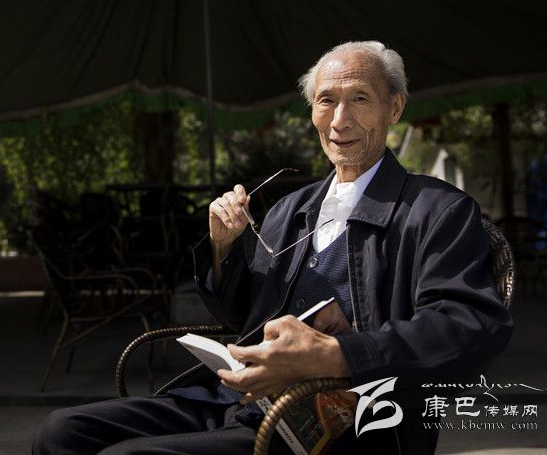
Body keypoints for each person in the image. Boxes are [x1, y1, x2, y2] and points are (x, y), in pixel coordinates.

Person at [33, 41, 513, 454]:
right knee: (61, 433)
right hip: (238, 398)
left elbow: (470, 327)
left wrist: (337, 355)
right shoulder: (291, 209)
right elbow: (242, 315)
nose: (340, 119)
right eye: (326, 101)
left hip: (336, 424)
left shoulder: (437, 211)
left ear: (395, 108)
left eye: (360, 98)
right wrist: (224, 248)